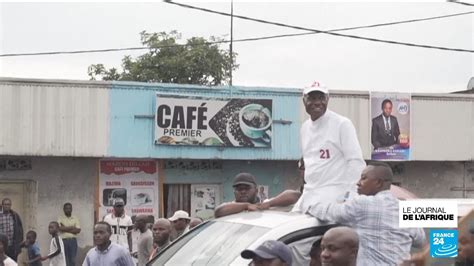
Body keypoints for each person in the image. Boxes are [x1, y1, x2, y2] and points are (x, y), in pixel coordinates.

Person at [306, 162, 426, 265]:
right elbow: (420, 240)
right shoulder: (404, 208)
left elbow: (330, 212)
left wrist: (308, 205)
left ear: (379, 183)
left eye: (363, 178)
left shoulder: (362, 204)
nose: (358, 183)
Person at [293, 82, 366, 213]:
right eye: (312, 98)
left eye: (321, 98)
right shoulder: (304, 128)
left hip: (333, 195)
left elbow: (356, 162)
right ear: (304, 101)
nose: (317, 102)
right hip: (309, 193)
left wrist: (348, 197)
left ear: (327, 99)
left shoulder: (342, 124)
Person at [214, 173, 300, 218]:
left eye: (247, 188)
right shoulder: (231, 208)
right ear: (234, 192)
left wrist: (269, 204)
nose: (243, 191)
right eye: (239, 189)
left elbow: (295, 196)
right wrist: (246, 206)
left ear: (256, 190)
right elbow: (218, 212)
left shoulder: (265, 205)